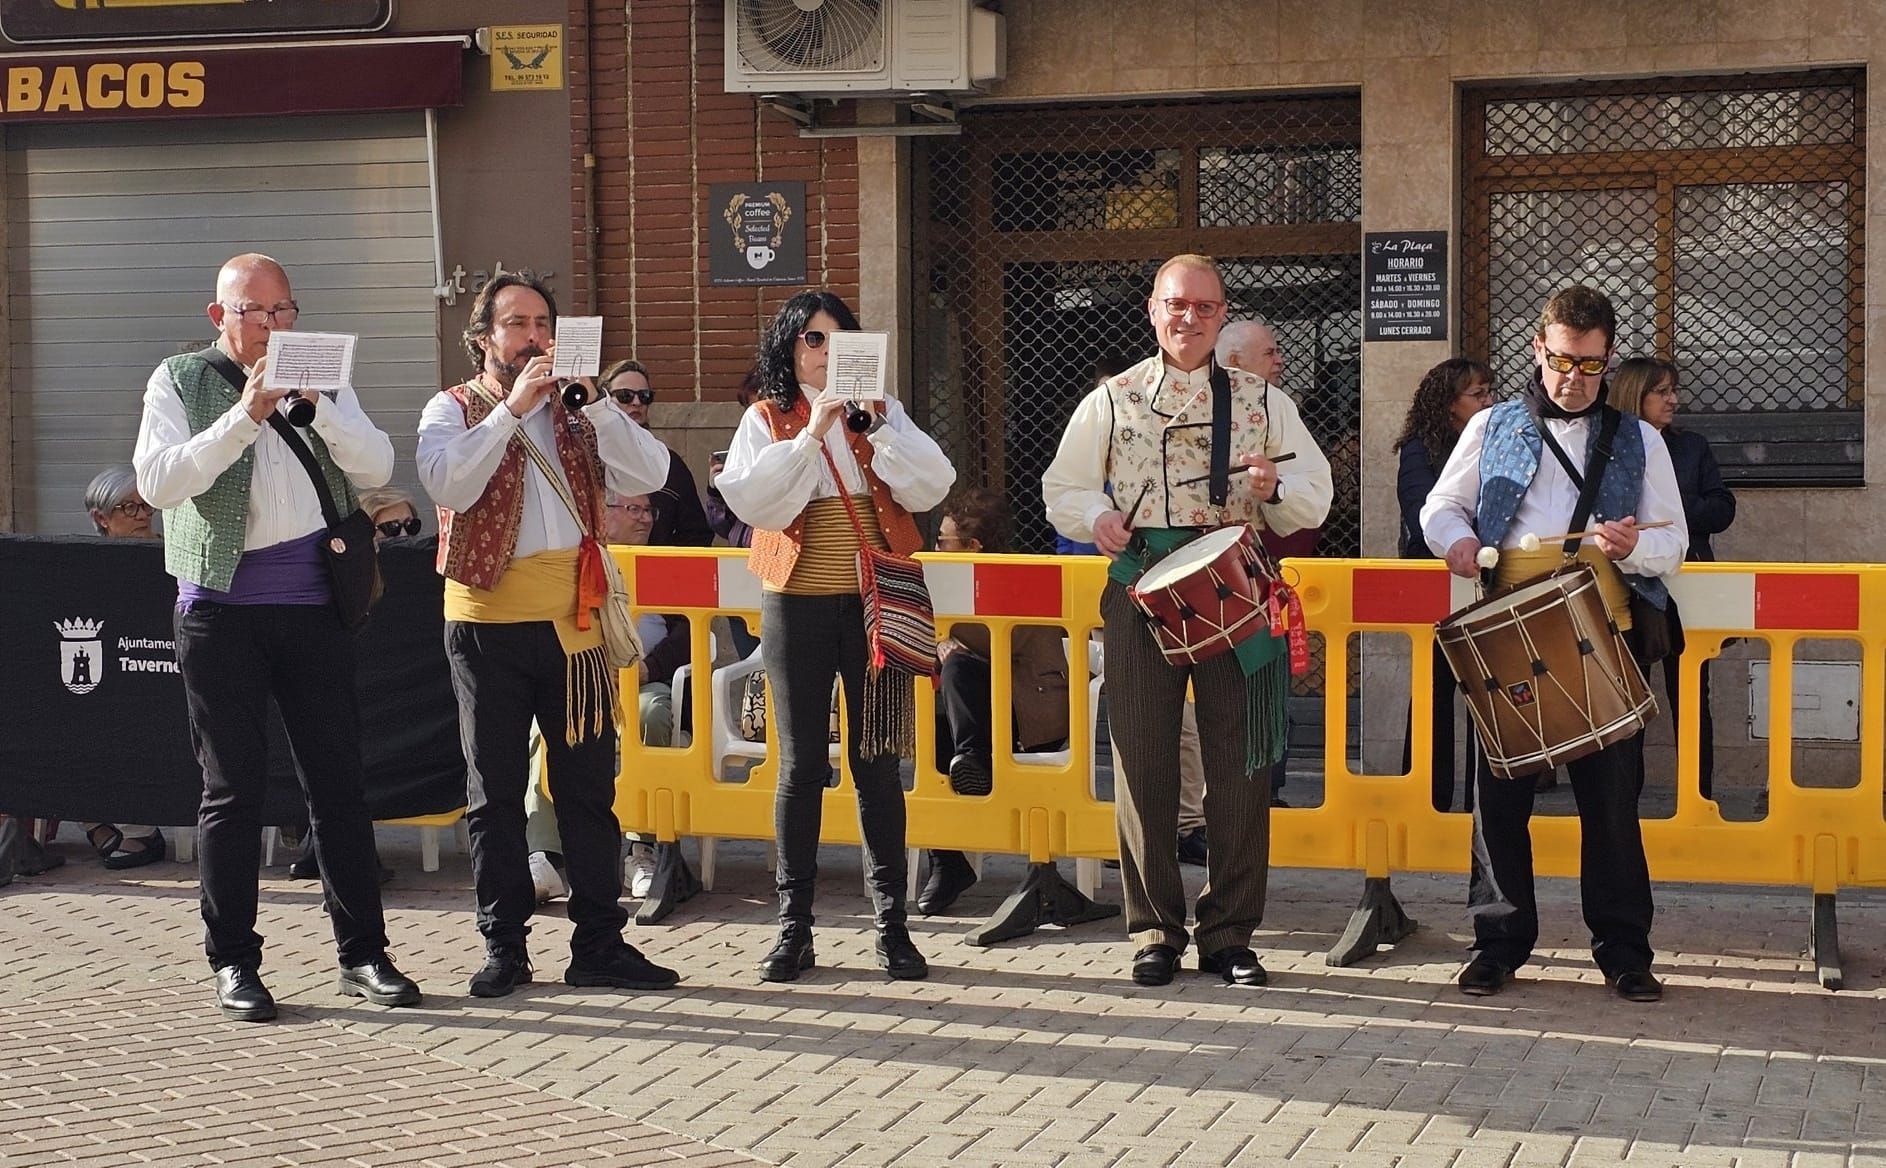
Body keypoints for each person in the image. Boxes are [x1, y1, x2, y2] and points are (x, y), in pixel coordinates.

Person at [133, 252, 420, 1021]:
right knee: (232, 788)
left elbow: (377, 463)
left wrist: (318, 405)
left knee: (337, 782)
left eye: (283, 311)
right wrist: (244, 416)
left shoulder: (319, 364)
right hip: (219, 611)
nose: (270, 326)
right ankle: (233, 962)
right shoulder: (179, 379)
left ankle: (363, 954)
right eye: (253, 312)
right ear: (217, 316)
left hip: (312, 604)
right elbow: (159, 482)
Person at [1042, 253, 1332, 988]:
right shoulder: (1112, 399)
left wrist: (1275, 485)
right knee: (1143, 762)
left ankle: (1231, 934)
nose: (1190, 318)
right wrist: (1096, 515)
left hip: (1237, 588)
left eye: (1205, 308)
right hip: (1142, 587)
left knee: (1242, 764)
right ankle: (1155, 932)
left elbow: (1315, 492)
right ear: (1152, 309)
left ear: (1222, 315)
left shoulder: (1263, 399)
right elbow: (1063, 486)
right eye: (1178, 304)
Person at [416, 270, 679, 998]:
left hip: (573, 623)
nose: (534, 337)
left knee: (588, 791)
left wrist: (598, 403)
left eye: (543, 325)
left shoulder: (580, 413)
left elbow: (652, 470)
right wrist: (510, 413)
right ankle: (505, 947)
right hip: (487, 625)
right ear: (484, 339)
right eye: (517, 324)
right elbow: (447, 485)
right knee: (494, 793)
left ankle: (599, 943)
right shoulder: (453, 409)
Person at [1421, 284, 1687, 1004]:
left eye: (1592, 366)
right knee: (1499, 799)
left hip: (1604, 636)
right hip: (1507, 632)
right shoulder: (1491, 427)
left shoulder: (1640, 438)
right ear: (1538, 348)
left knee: (1611, 804)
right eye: (1563, 361)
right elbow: (1440, 506)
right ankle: (1499, 942)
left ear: (1607, 359)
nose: (1575, 380)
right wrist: (1461, 543)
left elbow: (1675, 543)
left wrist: (1632, 547)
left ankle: (1626, 951)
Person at [716, 289, 955, 983]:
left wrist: (878, 426)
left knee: (877, 762)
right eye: (811, 341)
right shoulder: (766, 418)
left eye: (837, 340)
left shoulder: (881, 414)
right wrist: (812, 433)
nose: (824, 353)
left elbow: (931, 484)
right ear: (788, 351)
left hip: (874, 607)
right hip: (797, 603)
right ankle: (795, 929)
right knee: (799, 767)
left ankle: (892, 927)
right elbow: (757, 501)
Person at [918, 487, 1072, 915]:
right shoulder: (950, 581)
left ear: (973, 547)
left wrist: (944, 638)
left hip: (1030, 712)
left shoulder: (1009, 576)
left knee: (958, 668)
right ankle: (948, 863)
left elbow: (998, 645)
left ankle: (972, 761)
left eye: (942, 541)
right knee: (930, 739)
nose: (934, 548)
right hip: (985, 713)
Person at [1610, 357, 1735, 800]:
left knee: (1691, 694)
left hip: (1687, 586)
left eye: (1673, 390)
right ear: (1634, 394)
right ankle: (1625, 799)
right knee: (1629, 697)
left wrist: (1668, 514)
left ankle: (1698, 795)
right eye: (1661, 391)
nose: (1673, 399)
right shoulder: (1611, 446)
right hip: (1630, 588)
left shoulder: (1691, 446)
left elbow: (1722, 508)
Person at [1392, 358, 1494, 813]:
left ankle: (1482, 800)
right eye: (1477, 394)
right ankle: (1426, 799)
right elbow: (1419, 510)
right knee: (1434, 690)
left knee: (1487, 690)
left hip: (1486, 578)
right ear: (1448, 403)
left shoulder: (1496, 440)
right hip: (1433, 582)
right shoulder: (1421, 448)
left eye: (1490, 391)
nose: (1488, 401)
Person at [1216, 319, 1309, 809]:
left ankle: (1262, 795)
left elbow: (1309, 499)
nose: (1281, 361)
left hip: (1261, 581)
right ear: (1235, 362)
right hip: (1196, 592)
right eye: (1270, 352)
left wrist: (1276, 491)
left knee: (1266, 697)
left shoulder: (1280, 411)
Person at [76, 466, 169, 869]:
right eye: (130, 507)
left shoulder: (170, 551)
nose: (143, 515)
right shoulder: (87, 564)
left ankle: (143, 830)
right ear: (101, 518)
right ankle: (93, 819)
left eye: (147, 505)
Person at [599, 359, 713, 548]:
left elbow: (696, 534)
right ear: (603, 401)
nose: (636, 402)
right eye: (625, 395)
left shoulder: (670, 464)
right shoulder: (585, 456)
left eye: (644, 396)